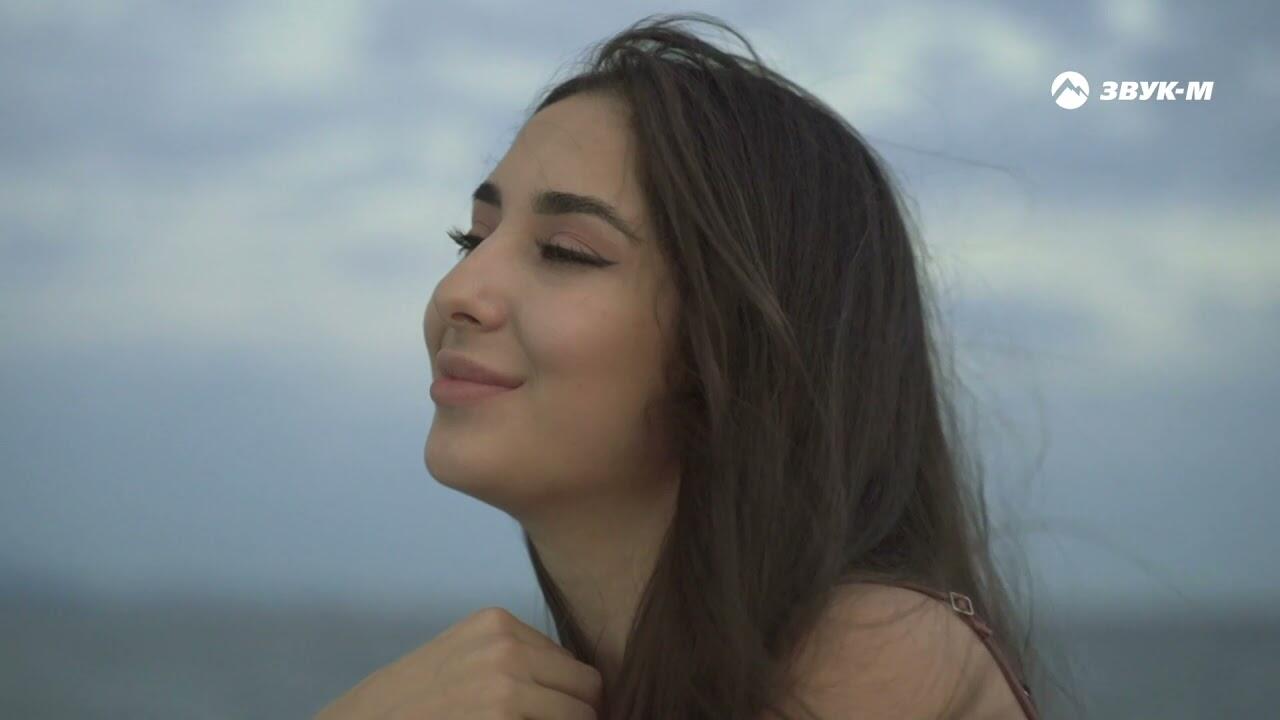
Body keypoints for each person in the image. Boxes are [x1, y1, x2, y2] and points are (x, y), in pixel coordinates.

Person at [318, 11, 1047, 720]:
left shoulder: (871, 651)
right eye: (472, 240)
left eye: (566, 252)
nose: (457, 292)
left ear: (739, 341)